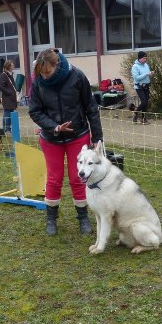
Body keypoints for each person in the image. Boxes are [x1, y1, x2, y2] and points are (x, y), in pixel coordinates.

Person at [29, 48, 103, 236]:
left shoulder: (77, 76)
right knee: (54, 179)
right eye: (41, 73)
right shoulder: (38, 82)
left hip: (78, 135)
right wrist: (54, 126)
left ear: (57, 65)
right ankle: (51, 219)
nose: (44, 76)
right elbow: (35, 111)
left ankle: (83, 218)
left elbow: (91, 107)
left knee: (78, 177)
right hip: (51, 138)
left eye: (47, 72)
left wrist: (97, 136)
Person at [131, 51, 154, 125]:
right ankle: (135, 112)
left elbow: (147, 74)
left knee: (146, 103)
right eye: (144, 58)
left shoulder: (146, 65)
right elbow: (137, 78)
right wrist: (147, 74)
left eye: (146, 58)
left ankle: (144, 119)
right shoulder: (135, 67)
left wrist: (150, 74)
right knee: (144, 101)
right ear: (139, 58)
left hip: (146, 86)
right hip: (139, 87)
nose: (145, 59)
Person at [0, 60, 18, 133]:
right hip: (7, 99)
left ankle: (8, 129)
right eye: (12, 65)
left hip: (11, 98)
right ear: (8, 66)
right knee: (7, 114)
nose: (13, 66)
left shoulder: (10, 74)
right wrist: (9, 92)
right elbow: (1, 87)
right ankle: (6, 129)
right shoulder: (3, 75)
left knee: (11, 113)